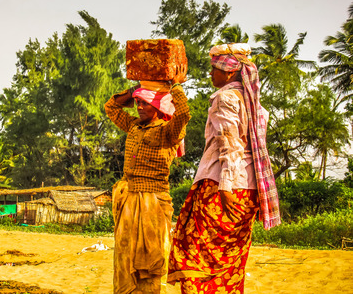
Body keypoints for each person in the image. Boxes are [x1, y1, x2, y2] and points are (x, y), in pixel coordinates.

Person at [168, 43, 281, 293]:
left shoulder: (225, 98)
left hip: (222, 187)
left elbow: (230, 146)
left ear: (229, 72)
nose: (210, 74)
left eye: (213, 69)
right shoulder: (258, 107)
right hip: (250, 191)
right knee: (231, 262)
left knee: (197, 253)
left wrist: (225, 186)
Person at [105, 64, 190, 293]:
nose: (140, 107)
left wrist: (174, 87)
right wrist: (134, 89)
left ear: (158, 105)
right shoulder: (133, 125)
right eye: (139, 103)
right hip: (129, 199)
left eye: (145, 103)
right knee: (125, 256)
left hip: (153, 201)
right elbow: (111, 107)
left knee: (153, 258)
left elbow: (183, 114)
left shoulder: (167, 131)